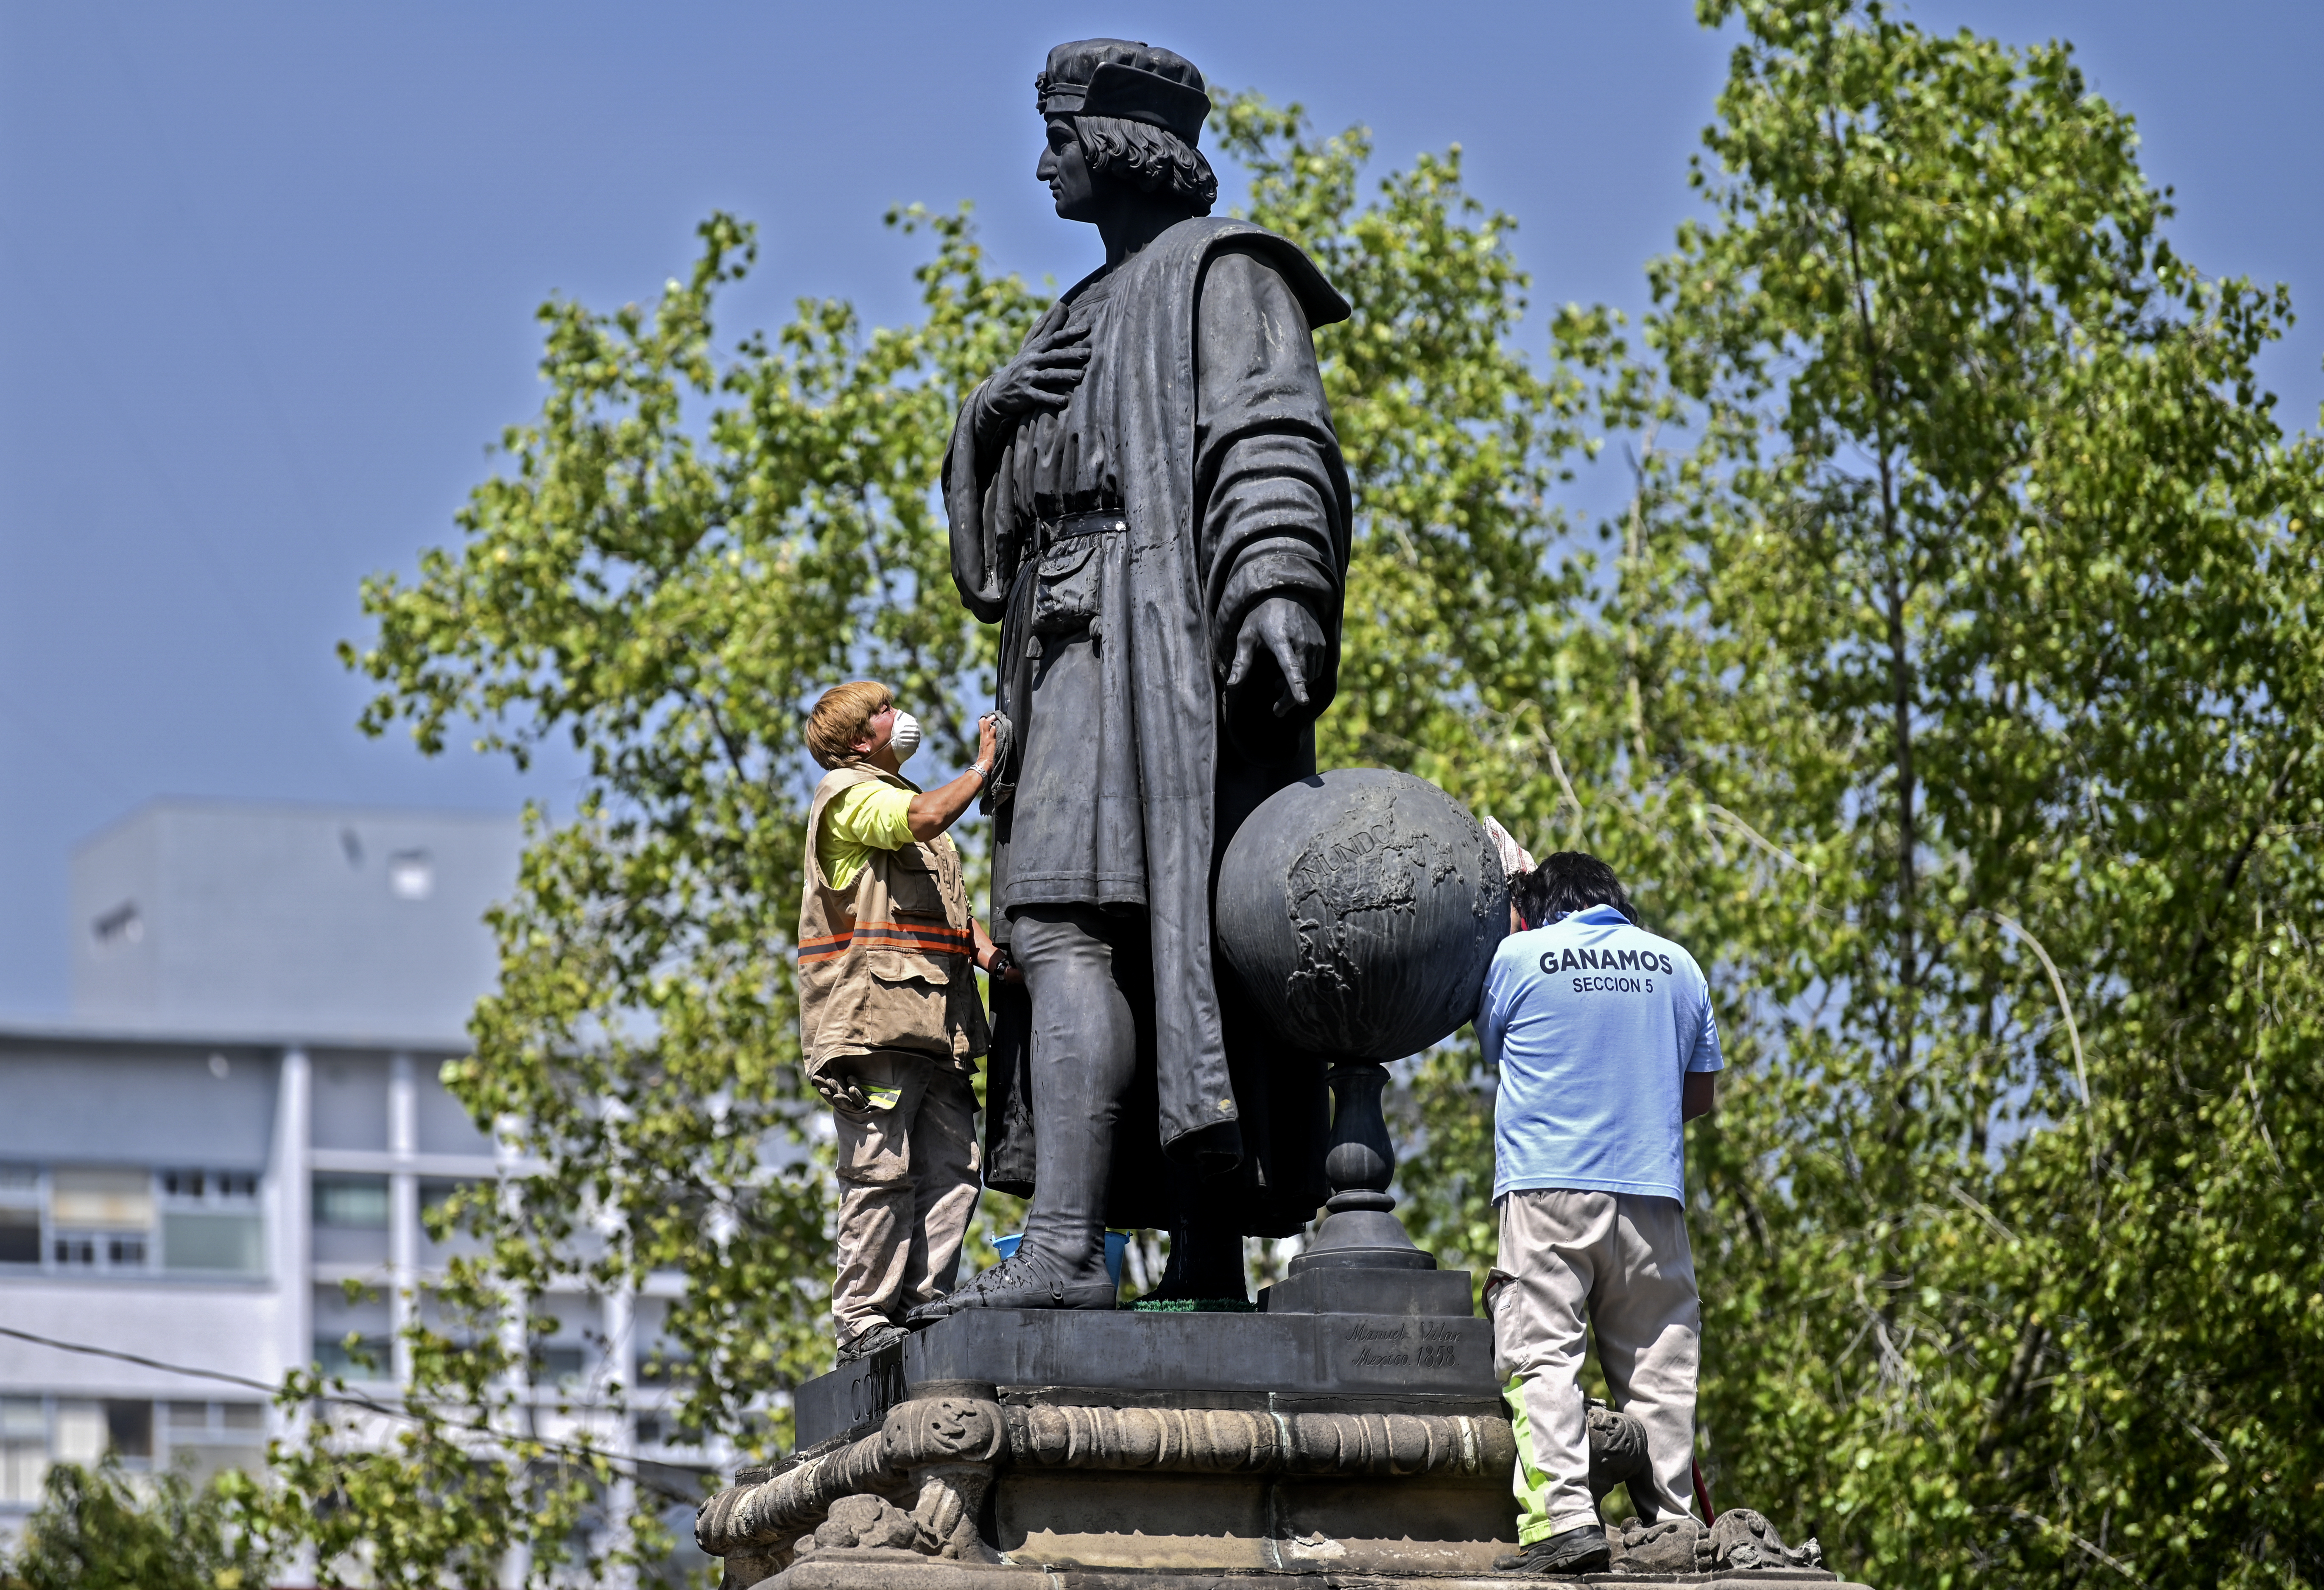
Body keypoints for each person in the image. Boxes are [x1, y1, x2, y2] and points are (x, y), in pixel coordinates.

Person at [921, 37, 1352, 1316]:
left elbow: (1275, 431)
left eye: (1059, 132)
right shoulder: (1071, 318)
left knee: (1079, 927)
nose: (1043, 159)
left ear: (1119, 142)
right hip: (1067, 651)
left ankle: (1072, 1251)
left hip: (1153, 647)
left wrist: (1275, 584)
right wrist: (989, 417)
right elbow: (994, 553)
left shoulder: (1225, 272)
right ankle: (1186, 1259)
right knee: (1126, 942)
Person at [1478, 852, 1723, 1576]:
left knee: (1543, 1353)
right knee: (1661, 1366)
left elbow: (1495, 1044)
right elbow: (1700, 1096)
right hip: (1652, 1197)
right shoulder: (1678, 966)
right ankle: (1673, 1528)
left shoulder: (1518, 957)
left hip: (1549, 1190)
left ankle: (1562, 1520)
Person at [796, 680, 1011, 1362]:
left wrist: (991, 958)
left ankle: (924, 1307)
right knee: (881, 1170)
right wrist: (982, 767)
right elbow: (921, 818)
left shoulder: (901, 801)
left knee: (955, 1168)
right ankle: (862, 1319)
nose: (899, 715)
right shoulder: (851, 796)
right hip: (876, 1026)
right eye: (884, 710)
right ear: (860, 739)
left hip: (939, 1027)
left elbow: (946, 910)